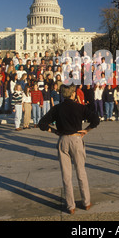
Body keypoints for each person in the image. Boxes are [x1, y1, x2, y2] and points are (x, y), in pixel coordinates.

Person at [38, 84, 100, 215]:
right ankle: (86, 202)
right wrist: (87, 130)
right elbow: (95, 119)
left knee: (66, 175)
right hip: (76, 138)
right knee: (81, 172)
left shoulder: (57, 108)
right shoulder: (80, 107)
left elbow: (42, 124)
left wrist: (55, 131)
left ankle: (70, 206)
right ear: (73, 94)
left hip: (63, 139)